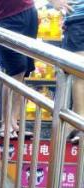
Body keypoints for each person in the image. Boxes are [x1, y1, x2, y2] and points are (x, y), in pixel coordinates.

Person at [53, 0, 84, 143]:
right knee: (79, 72)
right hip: (78, 19)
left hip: (78, 20)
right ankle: (78, 119)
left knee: (79, 73)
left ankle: (78, 120)